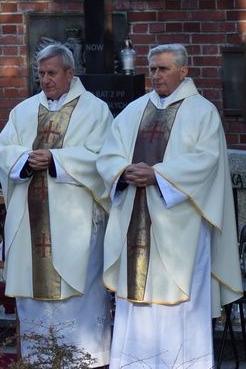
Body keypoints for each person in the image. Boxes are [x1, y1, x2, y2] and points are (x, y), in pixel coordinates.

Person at [97, 43, 242, 368]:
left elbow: (206, 162)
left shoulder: (202, 113)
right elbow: (108, 154)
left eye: (163, 69)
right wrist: (123, 172)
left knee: (181, 309)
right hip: (136, 224)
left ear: (183, 71)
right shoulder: (134, 111)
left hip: (183, 234)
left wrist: (158, 176)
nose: (156, 75)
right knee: (137, 306)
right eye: (152, 69)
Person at [0, 44, 112, 366]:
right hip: (31, 218)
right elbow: (2, 148)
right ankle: (37, 359)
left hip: (75, 223)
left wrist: (56, 159)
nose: (45, 80)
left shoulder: (95, 110)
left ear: (70, 74)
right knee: (33, 291)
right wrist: (24, 159)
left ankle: (83, 360)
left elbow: (103, 157)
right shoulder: (23, 110)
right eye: (41, 74)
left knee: (79, 296)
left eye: (52, 73)